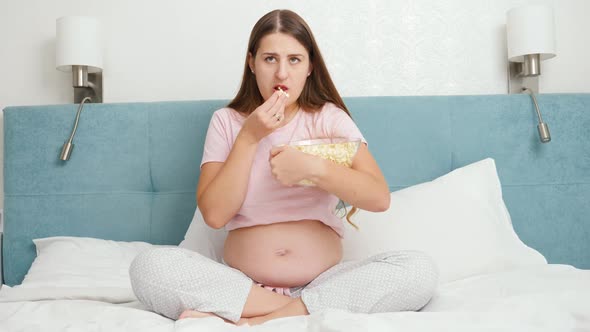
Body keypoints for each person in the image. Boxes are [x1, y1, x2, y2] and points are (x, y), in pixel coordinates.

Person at [129, 9, 438, 326]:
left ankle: (255, 320)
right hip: (243, 286)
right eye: (270, 59)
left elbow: (378, 197)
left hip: (325, 283)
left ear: (309, 67)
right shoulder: (227, 122)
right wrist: (249, 138)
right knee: (149, 266)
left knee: (418, 270)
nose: (281, 74)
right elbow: (215, 215)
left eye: (294, 60)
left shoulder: (327, 118)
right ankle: (289, 310)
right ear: (252, 63)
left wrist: (312, 167)